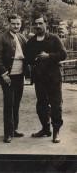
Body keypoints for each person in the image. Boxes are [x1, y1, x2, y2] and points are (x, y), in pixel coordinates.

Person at [25, 13, 67, 143]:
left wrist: (49, 56)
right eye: (36, 24)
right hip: (39, 79)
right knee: (41, 105)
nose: (38, 26)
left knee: (56, 105)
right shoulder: (31, 41)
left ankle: (56, 131)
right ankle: (45, 129)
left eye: (40, 23)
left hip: (54, 78)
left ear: (45, 24)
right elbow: (27, 57)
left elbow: (63, 54)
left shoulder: (54, 38)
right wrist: (34, 59)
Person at [0, 14, 27, 143]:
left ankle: (14, 129)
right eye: (13, 24)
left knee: (16, 103)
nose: (16, 26)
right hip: (8, 76)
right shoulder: (1, 38)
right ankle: (7, 133)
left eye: (18, 24)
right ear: (9, 24)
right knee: (9, 104)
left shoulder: (22, 38)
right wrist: (4, 74)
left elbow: (28, 55)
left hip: (19, 75)